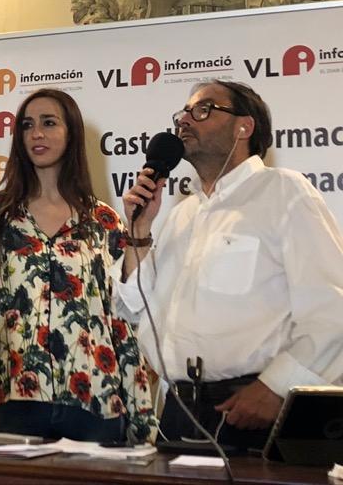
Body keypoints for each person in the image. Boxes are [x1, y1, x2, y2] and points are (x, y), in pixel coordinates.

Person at [0, 88, 157, 443]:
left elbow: (121, 319)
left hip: (92, 403)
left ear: (71, 133)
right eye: (27, 125)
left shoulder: (103, 221)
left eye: (49, 123)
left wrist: (141, 418)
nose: (36, 133)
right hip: (6, 398)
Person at [119, 79, 343, 450]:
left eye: (202, 109)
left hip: (252, 409)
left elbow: (332, 309)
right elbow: (132, 306)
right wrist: (139, 231)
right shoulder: (180, 215)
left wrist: (277, 388)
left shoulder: (283, 192)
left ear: (244, 127)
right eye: (183, 113)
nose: (185, 120)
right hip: (179, 412)